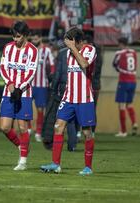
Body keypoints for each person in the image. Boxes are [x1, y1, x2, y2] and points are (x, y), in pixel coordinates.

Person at [40, 27, 97, 175]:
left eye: (70, 42)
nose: (67, 45)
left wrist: (73, 48)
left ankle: (88, 167)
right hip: (69, 97)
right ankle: (55, 164)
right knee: (58, 127)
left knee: (86, 132)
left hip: (84, 99)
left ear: (77, 41)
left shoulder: (90, 50)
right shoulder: (68, 54)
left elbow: (84, 64)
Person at [0, 21, 38, 171]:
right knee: (5, 127)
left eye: (18, 37)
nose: (15, 40)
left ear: (25, 35)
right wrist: (9, 83)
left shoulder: (33, 51)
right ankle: (22, 147)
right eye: (14, 37)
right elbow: (3, 67)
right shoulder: (8, 48)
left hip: (24, 93)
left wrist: (19, 88)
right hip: (8, 91)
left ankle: (23, 161)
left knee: (23, 127)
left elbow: (31, 72)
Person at [30, 30, 55, 142]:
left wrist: (52, 79)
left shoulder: (47, 51)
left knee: (40, 109)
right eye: (32, 39)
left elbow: (53, 66)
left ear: (40, 38)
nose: (33, 41)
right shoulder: (28, 49)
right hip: (29, 84)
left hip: (42, 85)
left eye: (35, 39)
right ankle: (28, 130)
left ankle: (39, 132)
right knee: (26, 107)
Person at [112, 37, 138, 137]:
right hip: (133, 81)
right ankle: (134, 123)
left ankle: (123, 131)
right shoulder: (134, 52)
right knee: (129, 104)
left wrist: (120, 70)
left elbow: (114, 64)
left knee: (121, 105)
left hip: (123, 81)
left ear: (121, 44)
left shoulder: (119, 53)